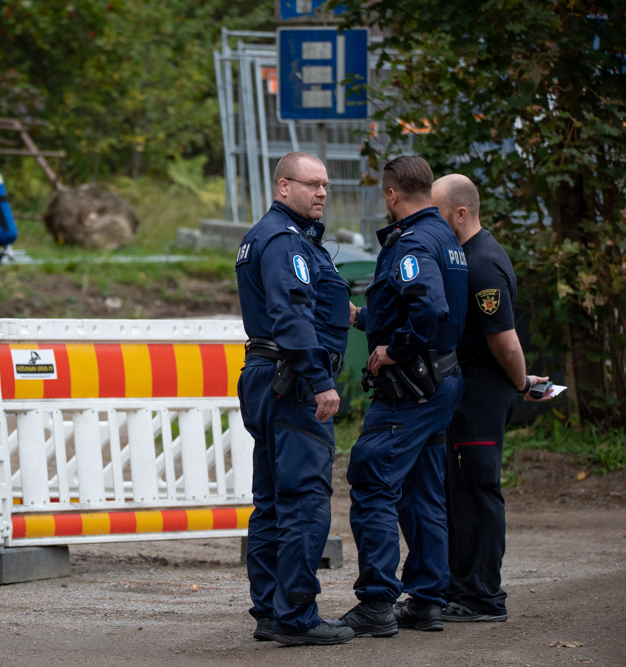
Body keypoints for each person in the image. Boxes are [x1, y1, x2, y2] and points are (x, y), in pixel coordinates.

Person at [336, 155, 468, 636]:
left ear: (392, 194)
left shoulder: (411, 242)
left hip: (410, 391)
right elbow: (423, 307)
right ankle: (428, 599)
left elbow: (428, 309)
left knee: (371, 479)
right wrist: (362, 319)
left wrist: (395, 349)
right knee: (422, 490)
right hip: (440, 383)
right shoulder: (445, 239)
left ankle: (376, 604)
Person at [236, 152, 354, 647]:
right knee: (303, 500)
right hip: (293, 379)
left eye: (325, 185)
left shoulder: (260, 236)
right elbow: (291, 314)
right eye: (312, 185)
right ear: (284, 187)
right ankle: (296, 616)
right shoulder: (286, 241)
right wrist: (320, 379)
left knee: (271, 502)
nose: (322, 193)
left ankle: (269, 609)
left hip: (265, 374)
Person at [431, 173, 552, 623]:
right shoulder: (468, 255)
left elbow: (505, 341)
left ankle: (483, 597)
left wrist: (521, 383)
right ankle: (460, 587)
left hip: (481, 397)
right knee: (459, 493)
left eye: (439, 214)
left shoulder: (481, 264)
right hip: (470, 394)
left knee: (478, 492)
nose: (434, 223)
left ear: (461, 213)